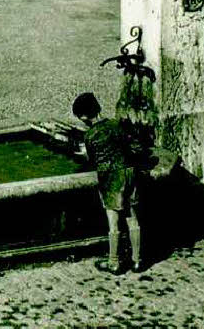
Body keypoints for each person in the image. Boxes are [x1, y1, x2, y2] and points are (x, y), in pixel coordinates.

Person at [73, 92, 153, 275]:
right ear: (98, 108)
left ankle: (114, 262)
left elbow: (92, 160)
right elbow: (135, 147)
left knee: (113, 222)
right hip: (129, 172)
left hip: (110, 178)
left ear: (84, 117)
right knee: (132, 218)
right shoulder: (117, 125)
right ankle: (137, 261)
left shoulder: (91, 135)